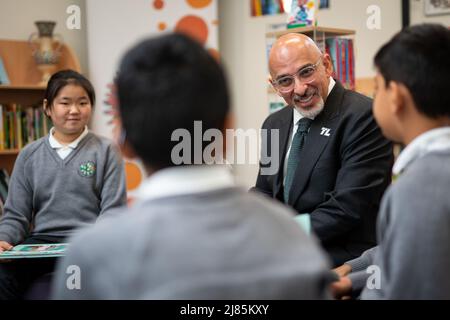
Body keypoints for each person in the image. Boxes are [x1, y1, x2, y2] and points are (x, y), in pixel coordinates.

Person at [51, 33, 334, 299]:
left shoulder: (91, 258)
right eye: (285, 80)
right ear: (227, 131)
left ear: (123, 142)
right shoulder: (295, 239)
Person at [253, 33, 394, 266]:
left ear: (327, 65)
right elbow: (265, 192)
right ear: (274, 86)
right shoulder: (273, 124)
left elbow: (347, 207)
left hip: (345, 259)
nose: (299, 89)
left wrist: (280, 235)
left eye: (306, 72)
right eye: (285, 81)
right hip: (289, 251)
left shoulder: (364, 116)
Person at [331, 23, 450, 299]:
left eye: (377, 89)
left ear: (395, 96)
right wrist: (354, 275)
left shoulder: (419, 189)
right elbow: (407, 253)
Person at [0, 70, 127, 299]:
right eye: (65, 103)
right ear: (48, 108)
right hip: (41, 245)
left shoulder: (106, 150)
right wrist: (4, 239)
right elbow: (16, 214)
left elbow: (113, 210)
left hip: (88, 241)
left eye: (83, 102)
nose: (74, 110)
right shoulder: (29, 155)